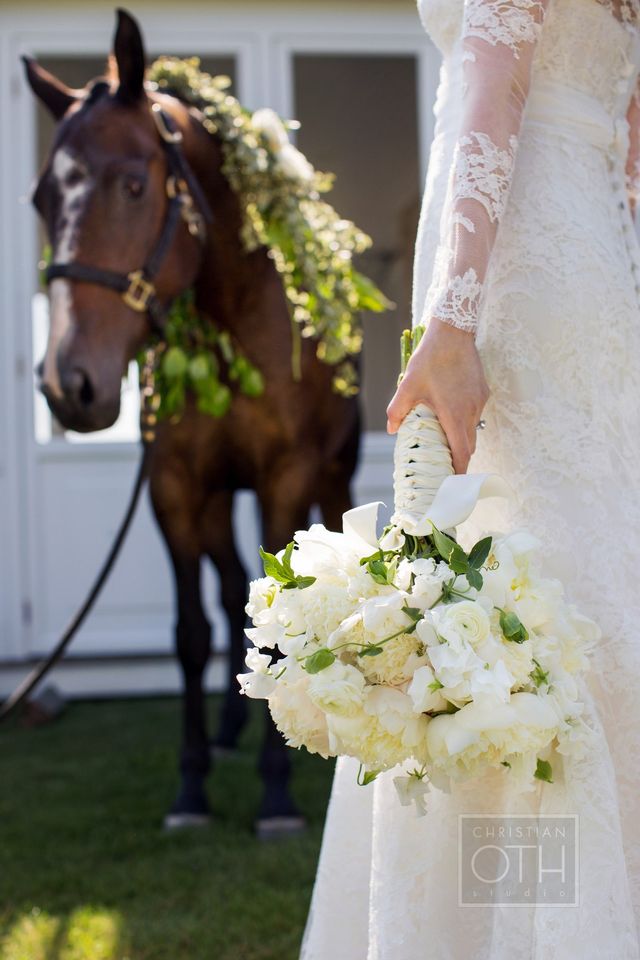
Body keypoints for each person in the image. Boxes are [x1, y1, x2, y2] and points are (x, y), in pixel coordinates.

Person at [299, 1, 640, 957]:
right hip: (594, 261)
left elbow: (493, 82)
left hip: (510, 263)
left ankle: (514, 931)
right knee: (589, 580)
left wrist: (451, 318)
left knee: (511, 591)